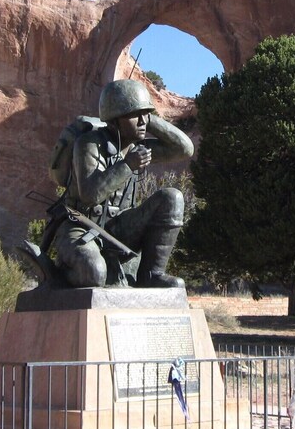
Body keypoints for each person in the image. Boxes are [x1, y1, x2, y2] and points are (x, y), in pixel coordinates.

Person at [53, 79, 194, 288]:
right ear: (115, 119)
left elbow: (184, 149)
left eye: (145, 115)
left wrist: (148, 116)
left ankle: (152, 275)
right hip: (81, 226)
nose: (142, 121)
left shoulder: (137, 146)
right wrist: (127, 165)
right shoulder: (89, 144)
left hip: (119, 227)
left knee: (172, 198)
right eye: (135, 115)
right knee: (94, 275)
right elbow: (90, 195)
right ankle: (59, 275)